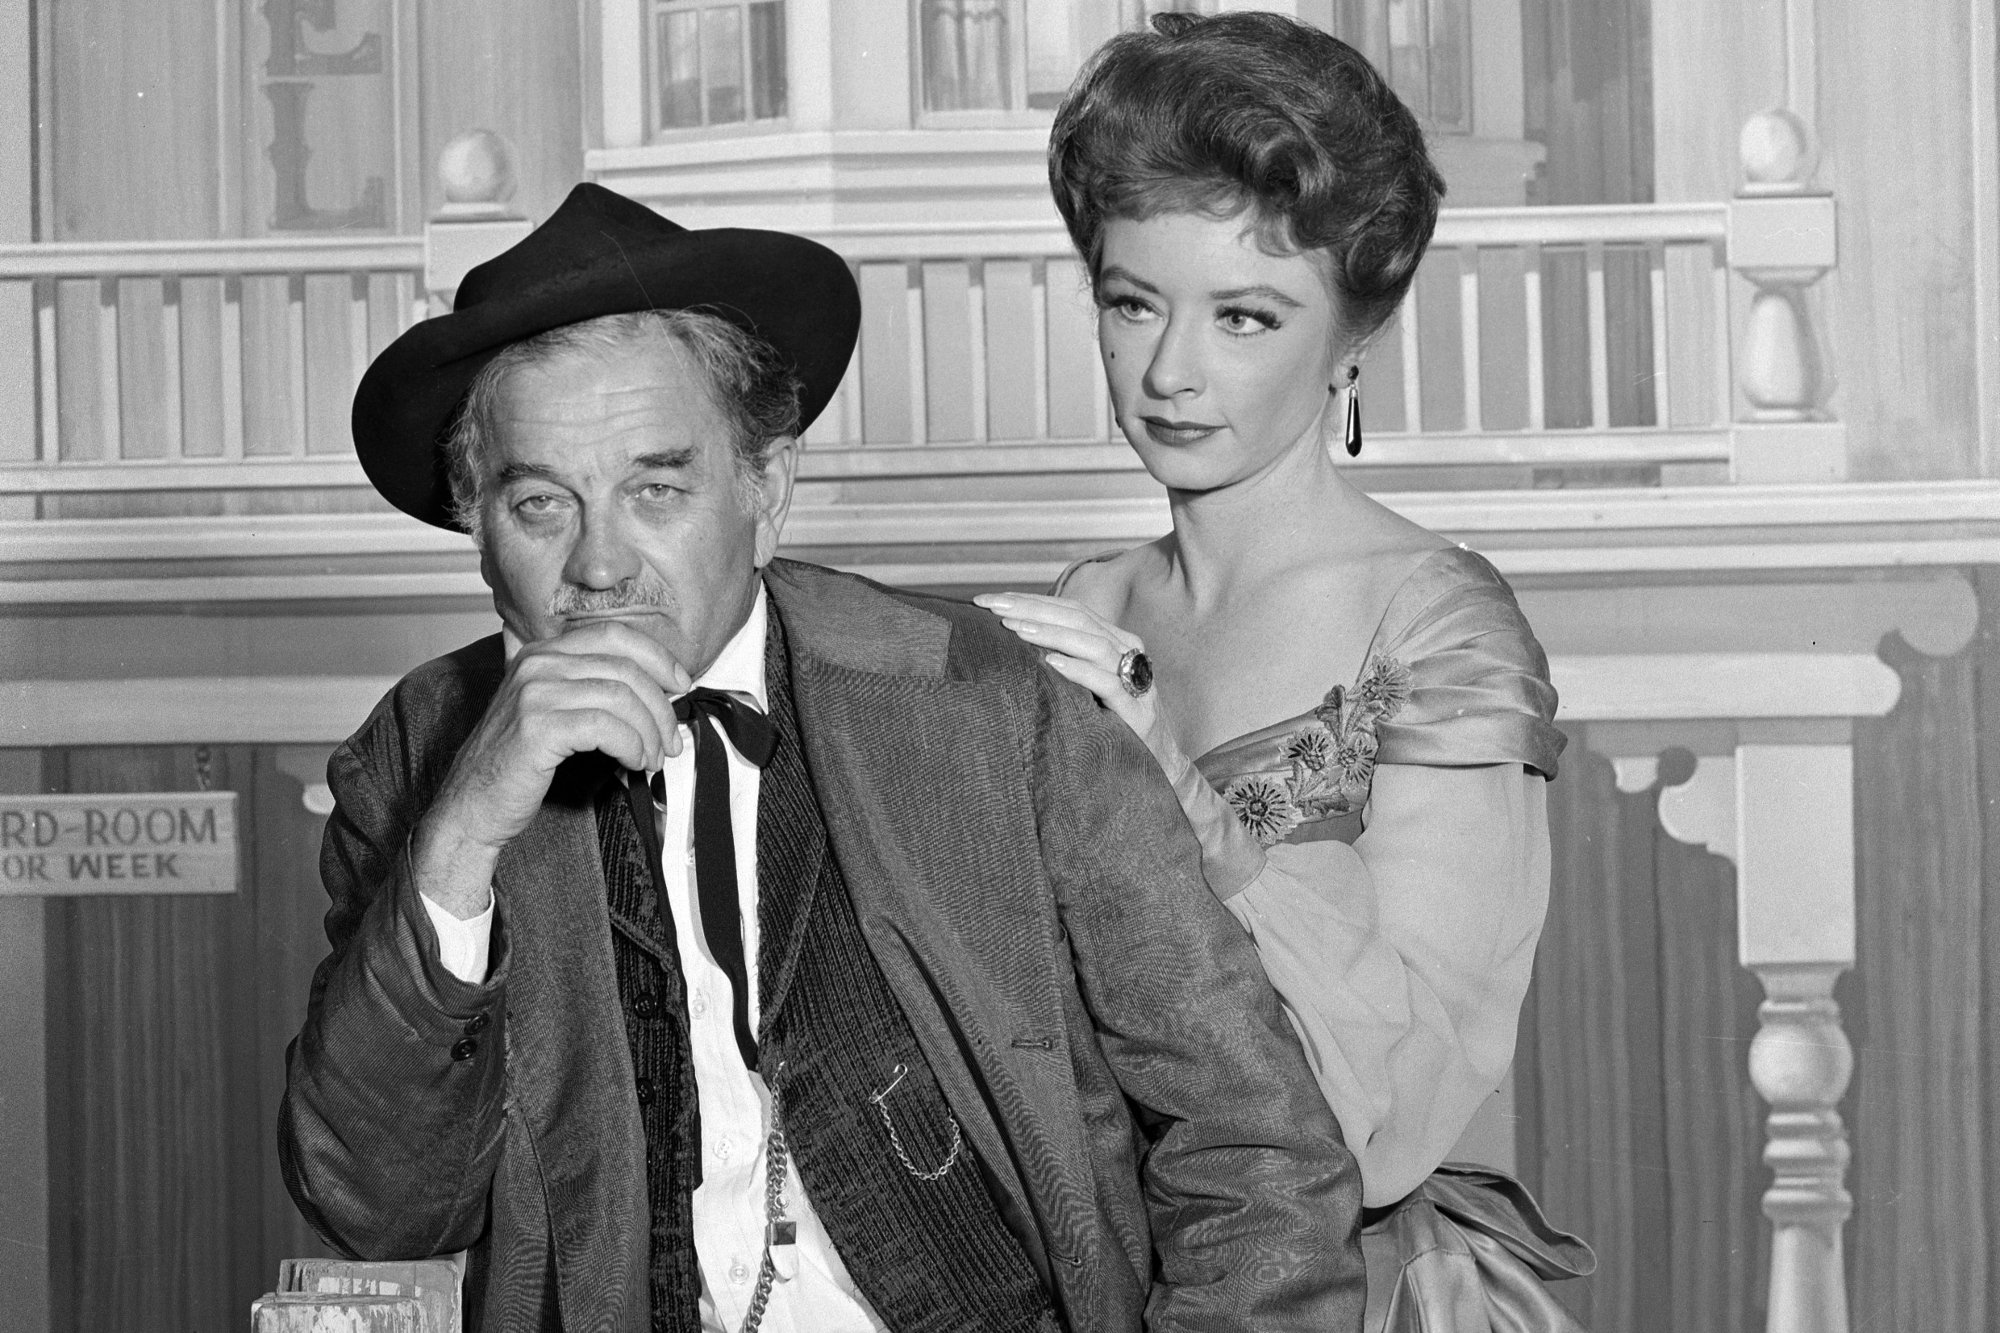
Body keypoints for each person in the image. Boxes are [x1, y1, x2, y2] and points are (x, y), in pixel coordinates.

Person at [278, 181, 1366, 1333]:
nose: (601, 565)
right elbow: (380, 1208)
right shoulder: (415, 753)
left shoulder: (991, 703)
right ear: (478, 531)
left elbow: (1253, 1143)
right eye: (541, 503)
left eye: (658, 488)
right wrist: (462, 837)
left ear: (765, 491)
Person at [975, 13, 1594, 1331]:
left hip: (1350, 1289)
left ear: (1353, 340)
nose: (1169, 370)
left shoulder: (1437, 625)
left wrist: (1176, 798)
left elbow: (1400, 1106)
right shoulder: (1091, 603)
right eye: (1132, 300)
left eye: (1246, 316)